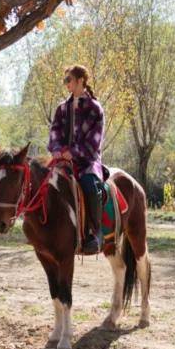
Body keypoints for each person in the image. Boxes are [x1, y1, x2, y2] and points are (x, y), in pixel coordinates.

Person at [48, 64, 106, 255]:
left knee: (91, 183)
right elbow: (55, 131)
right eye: (65, 81)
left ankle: (96, 233)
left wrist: (74, 152)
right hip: (62, 161)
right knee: (44, 181)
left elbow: (94, 142)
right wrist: (56, 149)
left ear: (81, 81)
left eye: (69, 80)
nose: (66, 84)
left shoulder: (95, 108)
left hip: (87, 161)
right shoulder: (62, 108)